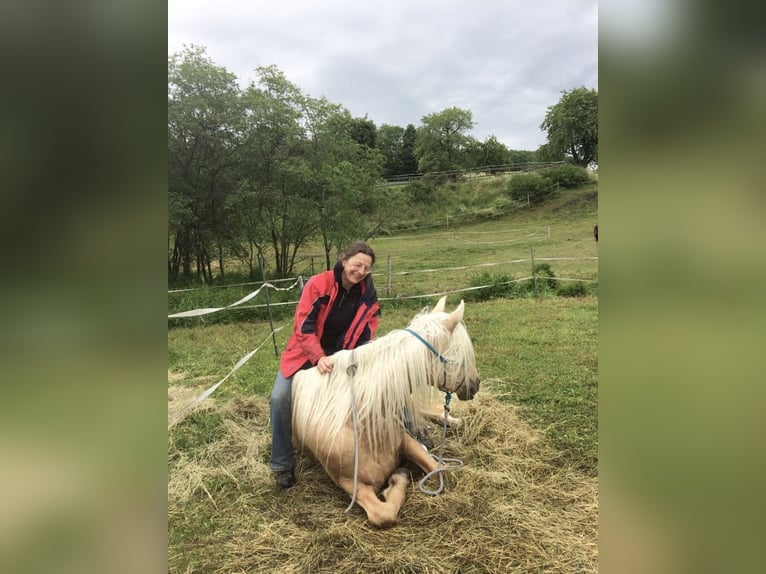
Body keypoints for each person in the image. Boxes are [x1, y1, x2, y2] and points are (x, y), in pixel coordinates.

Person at [269, 241, 381, 489]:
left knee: (378, 386)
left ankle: (409, 431)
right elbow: (303, 326)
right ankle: (282, 464)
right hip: (304, 353)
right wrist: (318, 356)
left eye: (366, 267)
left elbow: (369, 325)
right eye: (357, 264)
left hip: (344, 355)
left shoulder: (367, 294)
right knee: (279, 398)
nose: (361, 271)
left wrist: (358, 354)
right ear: (344, 261)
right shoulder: (319, 284)